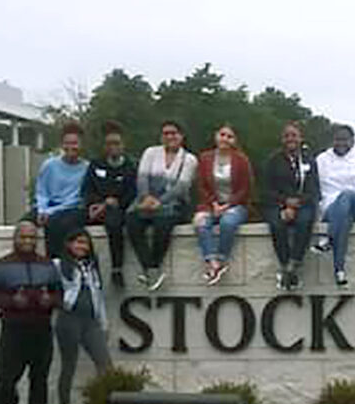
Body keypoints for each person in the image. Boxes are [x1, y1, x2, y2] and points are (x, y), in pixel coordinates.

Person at [0, 222, 62, 404]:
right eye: (24, 237)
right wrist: (12, 301)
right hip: (13, 329)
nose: (28, 241)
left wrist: (50, 301)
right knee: (7, 377)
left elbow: (59, 295)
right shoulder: (3, 265)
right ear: (15, 239)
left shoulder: (47, 265)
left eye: (32, 238)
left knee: (39, 376)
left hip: (41, 328)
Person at [127, 120, 198, 291]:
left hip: (173, 204)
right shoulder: (150, 152)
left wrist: (160, 202)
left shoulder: (189, 159)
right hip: (146, 201)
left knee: (163, 223)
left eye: (173, 133)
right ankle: (149, 267)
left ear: (181, 136)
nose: (170, 137)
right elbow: (142, 177)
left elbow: (182, 186)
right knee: (131, 221)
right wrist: (146, 198)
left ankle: (154, 267)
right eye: (166, 133)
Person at [52, 228, 112, 404]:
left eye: (85, 243)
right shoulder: (58, 264)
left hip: (90, 321)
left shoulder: (92, 267)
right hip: (68, 319)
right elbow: (50, 289)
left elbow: (99, 297)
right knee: (69, 363)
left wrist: (104, 323)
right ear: (69, 244)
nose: (81, 246)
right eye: (77, 242)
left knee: (105, 363)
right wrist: (61, 302)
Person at [315, 124, 355, 288]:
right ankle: (340, 272)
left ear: (352, 141)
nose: (341, 143)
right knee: (344, 219)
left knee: (346, 195)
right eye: (337, 139)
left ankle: (328, 238)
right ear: (332, 141)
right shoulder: (321, 160)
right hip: (331, 207)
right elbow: (317, 190)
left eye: (345, 139)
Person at [263, 122, 320, 291]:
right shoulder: (273, 161)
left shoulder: (309, 160)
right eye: (287, 135)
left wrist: (296, 204)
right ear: (282, 139)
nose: (290, 139)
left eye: (294, 135)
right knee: (276, 224)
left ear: (301, 138)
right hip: (277, 203)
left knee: (304, 221)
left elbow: (314, 188)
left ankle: (294, 263)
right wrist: (285, 203)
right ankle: (286, 264)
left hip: (303, 204)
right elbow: (266, 189)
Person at [194, 125, 253, 286]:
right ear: (216, 136)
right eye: (222, 134)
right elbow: (201, 185)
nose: (225, 139)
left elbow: (245, 188)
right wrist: (213, 203)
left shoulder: (241, 160)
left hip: (236, 205)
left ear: (234, 141)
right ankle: (212, 262)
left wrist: (227, 205)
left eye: (229, 136)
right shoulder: (205, 158)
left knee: (227, 222)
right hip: (210, 204)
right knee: (200, 222)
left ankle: (221, 259)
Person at [81, 120, 137, 288]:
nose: (112, 147)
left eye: (116, 143)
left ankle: (116, 269)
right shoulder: (95, 165)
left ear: (123, 145)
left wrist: (114, 202)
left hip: (118, 211)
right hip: (95, 209)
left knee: (114, 223)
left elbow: (132, 193)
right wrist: (94, 204)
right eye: (108, 143)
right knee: (69, 220)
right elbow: (87, 189)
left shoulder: (131, 166)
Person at [35, 122, 89, 258]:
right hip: (48, 206)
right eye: (67, 143)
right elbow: (41, 191)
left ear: (81, 144)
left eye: (75, 143)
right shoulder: (49, 165)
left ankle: (56, 262)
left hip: (72, 209)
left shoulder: (87, 168)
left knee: (55, 223)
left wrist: (50, 212)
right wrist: (42, 209)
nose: (71, 147)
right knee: (24, 225)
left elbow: (78, 198)